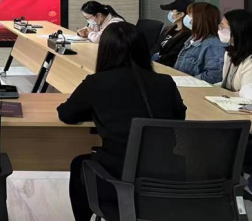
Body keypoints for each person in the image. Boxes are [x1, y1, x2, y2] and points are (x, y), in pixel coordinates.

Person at [57, 22, 187, 221]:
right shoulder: (165, 82)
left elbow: (66, 114)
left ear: (106, 51)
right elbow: (179, 117)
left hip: (118, 180)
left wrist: (96, 112)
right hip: (166, 177)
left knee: (79, 164)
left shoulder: (97, 83)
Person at [173, 2, 225, 83]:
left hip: (192, 86)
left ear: (200, 19)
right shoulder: (193, 37)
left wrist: (189, 81)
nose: (187, 18)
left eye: (190, 15)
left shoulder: (212, 44)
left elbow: (215, 75)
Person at [219, 10, 252, 91]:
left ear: (237, 30)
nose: (219, 30)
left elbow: (248, 94)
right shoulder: (230, 53)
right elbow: (226, 85)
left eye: (223, 27)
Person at [152, 0, 192, 67]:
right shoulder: (168, 29)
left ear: (181, 14)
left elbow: (172, 57)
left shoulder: (187, 35)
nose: (170, 13)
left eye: (172, 10)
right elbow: (156, 46)